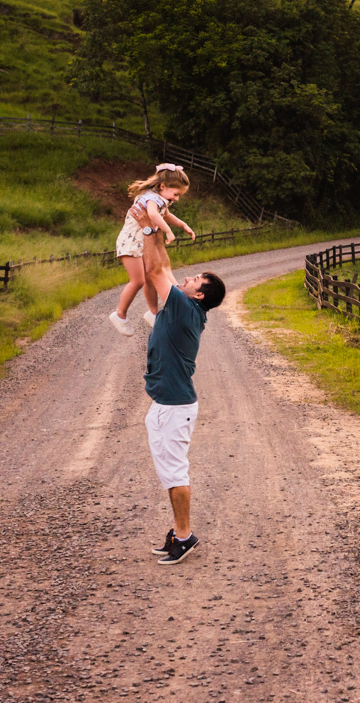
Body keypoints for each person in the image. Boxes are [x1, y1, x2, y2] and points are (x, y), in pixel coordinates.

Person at [128, 204, 226, 565]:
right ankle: (177, 531)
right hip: (165, 405)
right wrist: (154, 232)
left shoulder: (186, 309)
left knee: (175, 473)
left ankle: (184, 537)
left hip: (174, 407)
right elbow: (162, 270)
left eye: (195, 279)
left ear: (199, 295)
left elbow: (157, 270)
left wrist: (149, 229)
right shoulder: (179, 305)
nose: (186, 278)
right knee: (169, 473)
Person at [109, 164, 196, 336]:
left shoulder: (160, 200)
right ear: (163, 186)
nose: (177, 198)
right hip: (131, 242)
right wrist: (168, 231)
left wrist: (182, 225)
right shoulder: (151, 199)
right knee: (138, 281)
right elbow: (153, 215)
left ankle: (153, 313)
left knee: (151, 278)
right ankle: (120, 314)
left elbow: (166, 215)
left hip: (142, 242)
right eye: (176, 194)